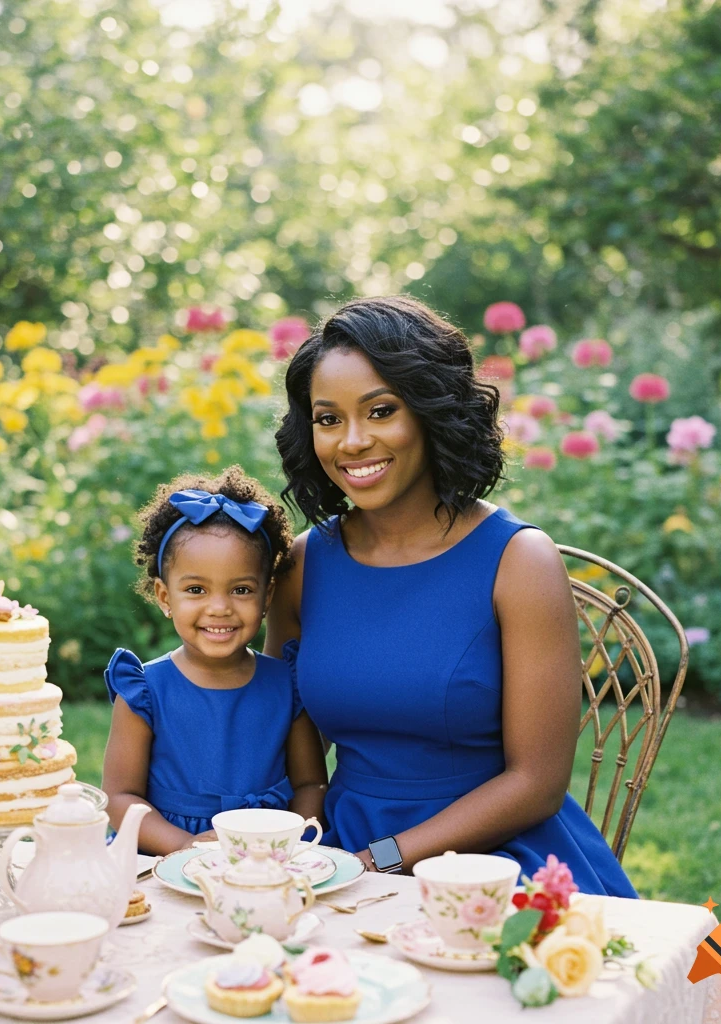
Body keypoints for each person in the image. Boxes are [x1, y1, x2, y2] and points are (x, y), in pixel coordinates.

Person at [266, 295, 637, 897]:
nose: (351, 442)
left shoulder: (518, 561)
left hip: (497, 858)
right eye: (328, 418)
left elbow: (537, 782)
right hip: (339, 848)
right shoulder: (305, 564)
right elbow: (285, 729)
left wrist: (381, 859)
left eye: (381, 411)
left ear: (433, 411)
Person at [102, 466, 327, 856]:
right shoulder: (145, 692)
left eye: (241, 589)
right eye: (196, 590)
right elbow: (120, 797)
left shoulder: (287, 687)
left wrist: (296, 844)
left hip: (267, 858)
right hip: (163, 859)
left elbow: (310, 784)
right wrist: (185, 846)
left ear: (267, 595)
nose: (219, 608)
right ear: (164, 596)